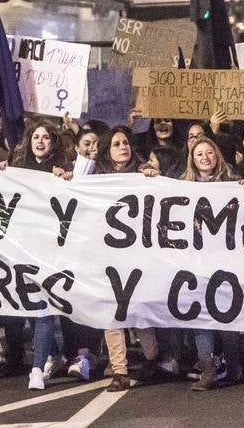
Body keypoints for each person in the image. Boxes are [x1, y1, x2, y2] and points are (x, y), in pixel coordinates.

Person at [94, 127, 162, 391]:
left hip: (138, 255)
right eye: (116, 144)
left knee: (138, 309)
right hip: (107, 254)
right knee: (112, 310)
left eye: (125, 142)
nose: (123, 147)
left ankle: (152, 356)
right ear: (107, 150)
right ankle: (120, 370)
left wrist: (155, 177)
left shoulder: (143, 173)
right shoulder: (95, 178)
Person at [4, 121, 71, 390]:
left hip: (49, 251)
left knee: (43, 308)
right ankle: (54, 353)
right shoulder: (16, 170)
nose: (40, 141)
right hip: (21, 247)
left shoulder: (60, 171)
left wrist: (66, 179)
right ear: (29, 141)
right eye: (36, 137)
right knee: (30, 309)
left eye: (46, 137)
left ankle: (36, 368)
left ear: (53, 143)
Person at [181, 135, 244, 390]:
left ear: (217, 155)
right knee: (200, 314)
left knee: (225, 315)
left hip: (227, 261)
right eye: (199, 154)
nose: (205, 158)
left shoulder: (231, 183)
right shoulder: (182, 187)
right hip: (196, 261)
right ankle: (207, 368)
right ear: (192, 159)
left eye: (209, 153)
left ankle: (233, 364)